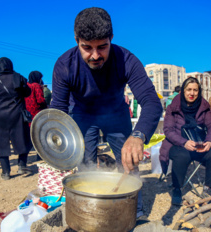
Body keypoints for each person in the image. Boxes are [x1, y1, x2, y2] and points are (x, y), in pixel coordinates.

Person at [50, 7, 162, 218]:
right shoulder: (65, 66)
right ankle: (90, 212)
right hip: (82, 113)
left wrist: (138, 136)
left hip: (116, 113)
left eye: (102, 47)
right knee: (84, 165)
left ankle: (133, 213)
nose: (95, 55)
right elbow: (58, 109)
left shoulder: (126, 60)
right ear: (76, 40)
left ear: (111, 38)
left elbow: (152, 102)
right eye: (87, 48)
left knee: (128, 161)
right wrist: (61, 147)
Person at [159, 77, 211, 206]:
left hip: (199, 143)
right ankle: (177, 188)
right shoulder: (173, 108)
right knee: (182, 155)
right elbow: (168, 130)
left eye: (195, 90)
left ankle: (209, 187)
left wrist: (210, 141)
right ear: (183, 91)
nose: (192, 93)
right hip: (177, 143)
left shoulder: (204, 107)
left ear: (199, 92)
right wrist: (184, 142)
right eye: (189, 89)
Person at [0, 57, 32, 180]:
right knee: (22, 139)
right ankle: (22, 165)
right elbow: (28, 93)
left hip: (0, 116)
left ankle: (6, 172)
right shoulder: (19, 77)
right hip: (17, 115)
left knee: (0, 143)